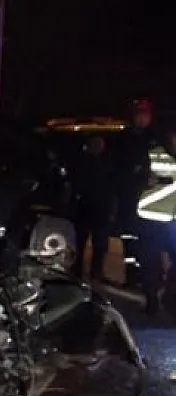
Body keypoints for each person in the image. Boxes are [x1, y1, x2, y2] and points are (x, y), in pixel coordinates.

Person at [117, 98, 175, 315]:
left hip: (172, 219)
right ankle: (151, 297)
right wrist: (144, 179)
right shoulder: (150, 151)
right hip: (151, 217)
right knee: (150, 261)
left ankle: (168, 296)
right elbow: (127, 175)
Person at [68, 134, 117, 282]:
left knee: (98, 244)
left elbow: (113, 189)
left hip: (99, 208)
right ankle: (79, 270)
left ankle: (93, 272)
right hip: (87, 207)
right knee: (81, 242)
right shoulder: (83, 163)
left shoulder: (107, 163)